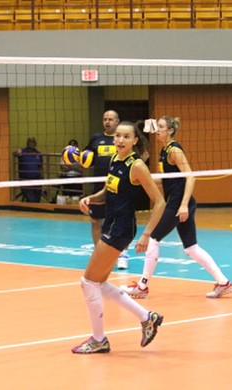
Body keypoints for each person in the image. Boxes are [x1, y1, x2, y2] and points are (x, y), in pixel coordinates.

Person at [72, 121, 165, 354]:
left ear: (135, 141)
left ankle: (98, 339)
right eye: (117, 136)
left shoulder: (137, 166)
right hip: (112, 224)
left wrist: (147, 234)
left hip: (121, 228)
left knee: (88, 282)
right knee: (99, 283)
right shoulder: (115, 159)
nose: (120, 140)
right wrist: (92, 198)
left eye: (126, 137)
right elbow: (108, 190)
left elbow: (160, 202)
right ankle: (147, 317)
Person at [121, 117, 232, 299]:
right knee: (191, 247)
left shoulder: (174, 150)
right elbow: (168, 180)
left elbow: (191, 177)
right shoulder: (164, 151)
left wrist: (183, 205)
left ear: (170, 131)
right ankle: (223, 282)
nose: (158, 130)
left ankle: (142, 287)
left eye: (161, 127)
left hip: (179, 204)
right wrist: (141, 179)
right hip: (180, 203)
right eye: (157, 126)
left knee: (153, 238)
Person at [82, 110, 130, 270]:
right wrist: (77, 157)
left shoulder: (122, 140)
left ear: (117, 121)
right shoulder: (96, 139)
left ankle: (122, 255)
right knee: (96, 221)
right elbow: (86, 159)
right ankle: (99, 254)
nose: (107, 122)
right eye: (105, 119)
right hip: (99, 185)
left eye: (110, 119)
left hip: (118, 184)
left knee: (119, 222)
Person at [13, 136, 43, 203]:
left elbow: (40, 166)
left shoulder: (38, 153)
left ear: (35, 143)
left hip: (37, 180)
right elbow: (14, 154)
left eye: (33, 142)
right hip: (25, 179)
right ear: (27, 143)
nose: (32, 143)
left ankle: (34, 212)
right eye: (30, 141)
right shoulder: (22, 151)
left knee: (37, 199)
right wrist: (17, 152)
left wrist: (42, 176)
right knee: (31, 199)